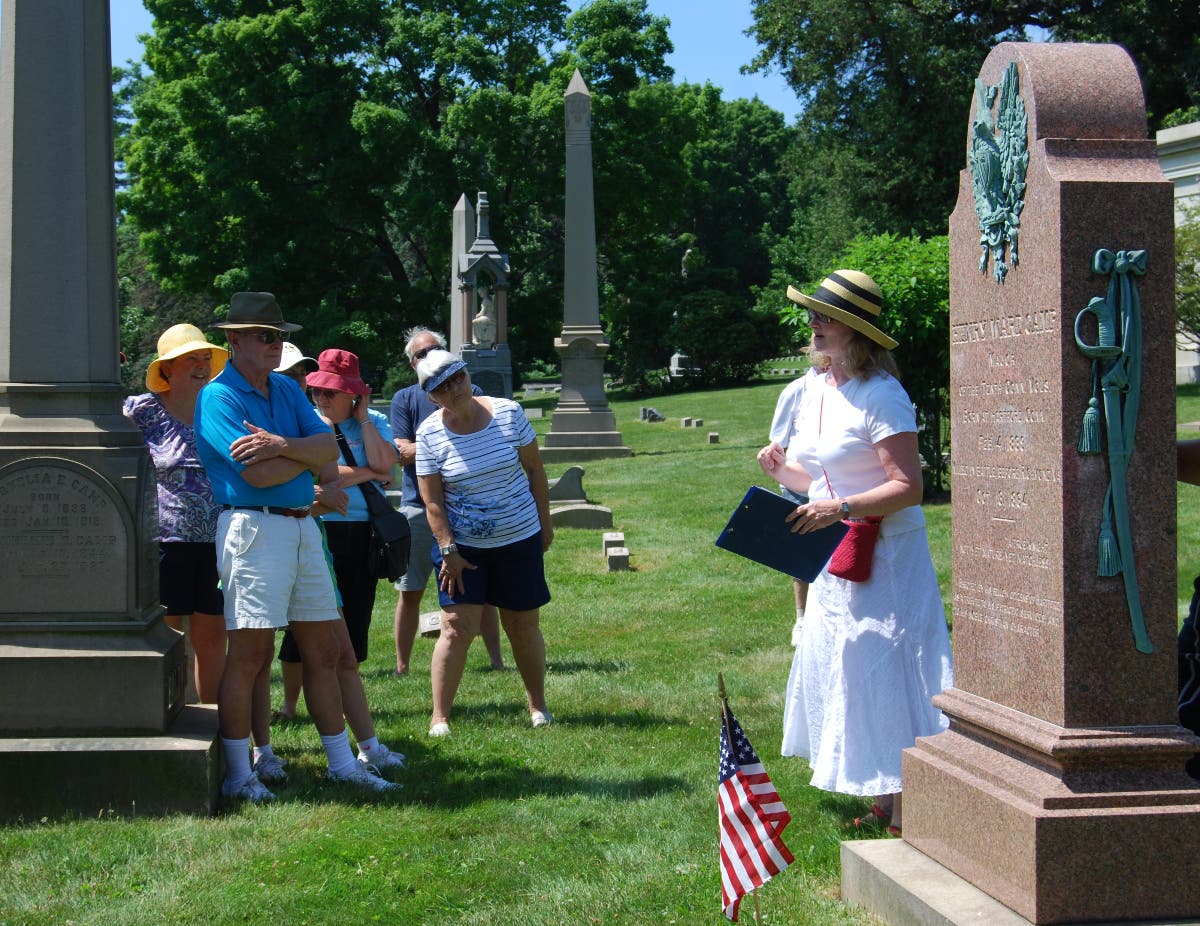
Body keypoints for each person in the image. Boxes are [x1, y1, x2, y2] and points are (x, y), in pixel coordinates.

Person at [758, 270, 953, 834]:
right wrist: (782, 470)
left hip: (887, 554)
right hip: (836, 554)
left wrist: (839, 509)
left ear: (854, 330)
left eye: (825, 317)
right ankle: (883, 792)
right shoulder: (816, 389)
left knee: (889, 667)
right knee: (845, 667)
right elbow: (819, 478)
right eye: (812, 315)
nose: (813, 325)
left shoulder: (881, 393)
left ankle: (913, 799)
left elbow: (909, 487)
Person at [195, 291, 398, 801]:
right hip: (255, 528)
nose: (274, 344)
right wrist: (303, 458)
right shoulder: (219, 397)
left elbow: (329, 447)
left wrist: (284, 445)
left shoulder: (286, 391)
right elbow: (257, 476)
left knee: (326, 649)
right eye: (265, 336)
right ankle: (240, 775)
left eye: (279, 336)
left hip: (304, 524)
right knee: (251, 655)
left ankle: (341, 764)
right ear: (235, 339)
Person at [414, 349, 553, 736]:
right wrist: (448, 550)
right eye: (441, 387)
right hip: (464, 546)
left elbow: (535, 470)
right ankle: (439, 716)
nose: (453, 389)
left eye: (457, 378)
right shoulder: (429, 434)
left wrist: (545, 523)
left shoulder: (508, 413)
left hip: (518, 535)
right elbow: (433, 501)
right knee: (456, 626)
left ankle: (537, 706)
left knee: (522, 624)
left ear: (466, 375)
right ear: (432, 396)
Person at [389, 327, 506, 676]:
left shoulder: (471, 389)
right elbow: (400, 452)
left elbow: (483, 444)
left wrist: (423, 448)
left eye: (436, 349)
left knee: (483, 592)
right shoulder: (405, 399)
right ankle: (402, 665)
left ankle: (496, 660)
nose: (430, 357)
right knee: (410, 590)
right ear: (413, 363)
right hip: (419, 507)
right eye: (422, 355)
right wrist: (444, 444)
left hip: (469, 508)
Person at [123, 323, 229, 703]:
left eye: (205, 358)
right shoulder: (142, 411)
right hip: (167, 542)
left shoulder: (220, 406)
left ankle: (215, 720)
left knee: (213, 634)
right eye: (190, 359)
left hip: (220, 539)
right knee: (169, 633)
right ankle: (170, 711)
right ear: (166, 369)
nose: (201, 366)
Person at [757, 371, 815, 646]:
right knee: (800, 552)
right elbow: (779, 443)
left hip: (837, 486)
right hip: (797, 486)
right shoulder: (797, 390)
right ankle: (802, 619)